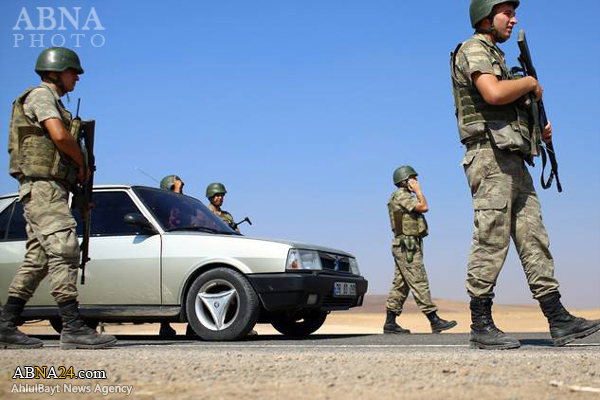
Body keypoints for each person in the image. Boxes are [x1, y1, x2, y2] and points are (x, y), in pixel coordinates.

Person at [450, 0, 600, 349]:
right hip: (489, 160)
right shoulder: (474, 49)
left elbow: (507, 110)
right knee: (491, 238)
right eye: (506, 13)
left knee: (534, 239)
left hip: (513, 160)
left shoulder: (497, 56)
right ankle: (481, 324)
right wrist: (530, 82)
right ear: (486, 17)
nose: (513, 19)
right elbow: (492, 92)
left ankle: (558, 318)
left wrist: (537, 131)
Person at [0, 47, 116, 349]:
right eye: (72, 72)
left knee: (38, 260)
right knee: (65, 247)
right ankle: (73, 326)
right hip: (42, 187)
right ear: (55, 71)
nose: (77, 77)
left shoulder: (55, 101)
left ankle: (4, 325)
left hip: (50, 186)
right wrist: (80, 162)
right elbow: (60, 137)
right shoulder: (41, 96)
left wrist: (79, 190)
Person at [384, 166, 457, 335]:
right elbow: (424, 207)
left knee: (401, 285)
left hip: (406, 244)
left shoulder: (402, 196)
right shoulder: (402, 195)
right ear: (404, 180)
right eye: (413, 179)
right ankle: (434, 319)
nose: (416, 181)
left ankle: (390, 323)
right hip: (406, 246)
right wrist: (418, 190)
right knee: (419, 280)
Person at [158, 175, 184, 337]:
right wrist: (176, 192)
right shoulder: (165, 208)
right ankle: (164, 325)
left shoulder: (182, 209)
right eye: (177, 187)